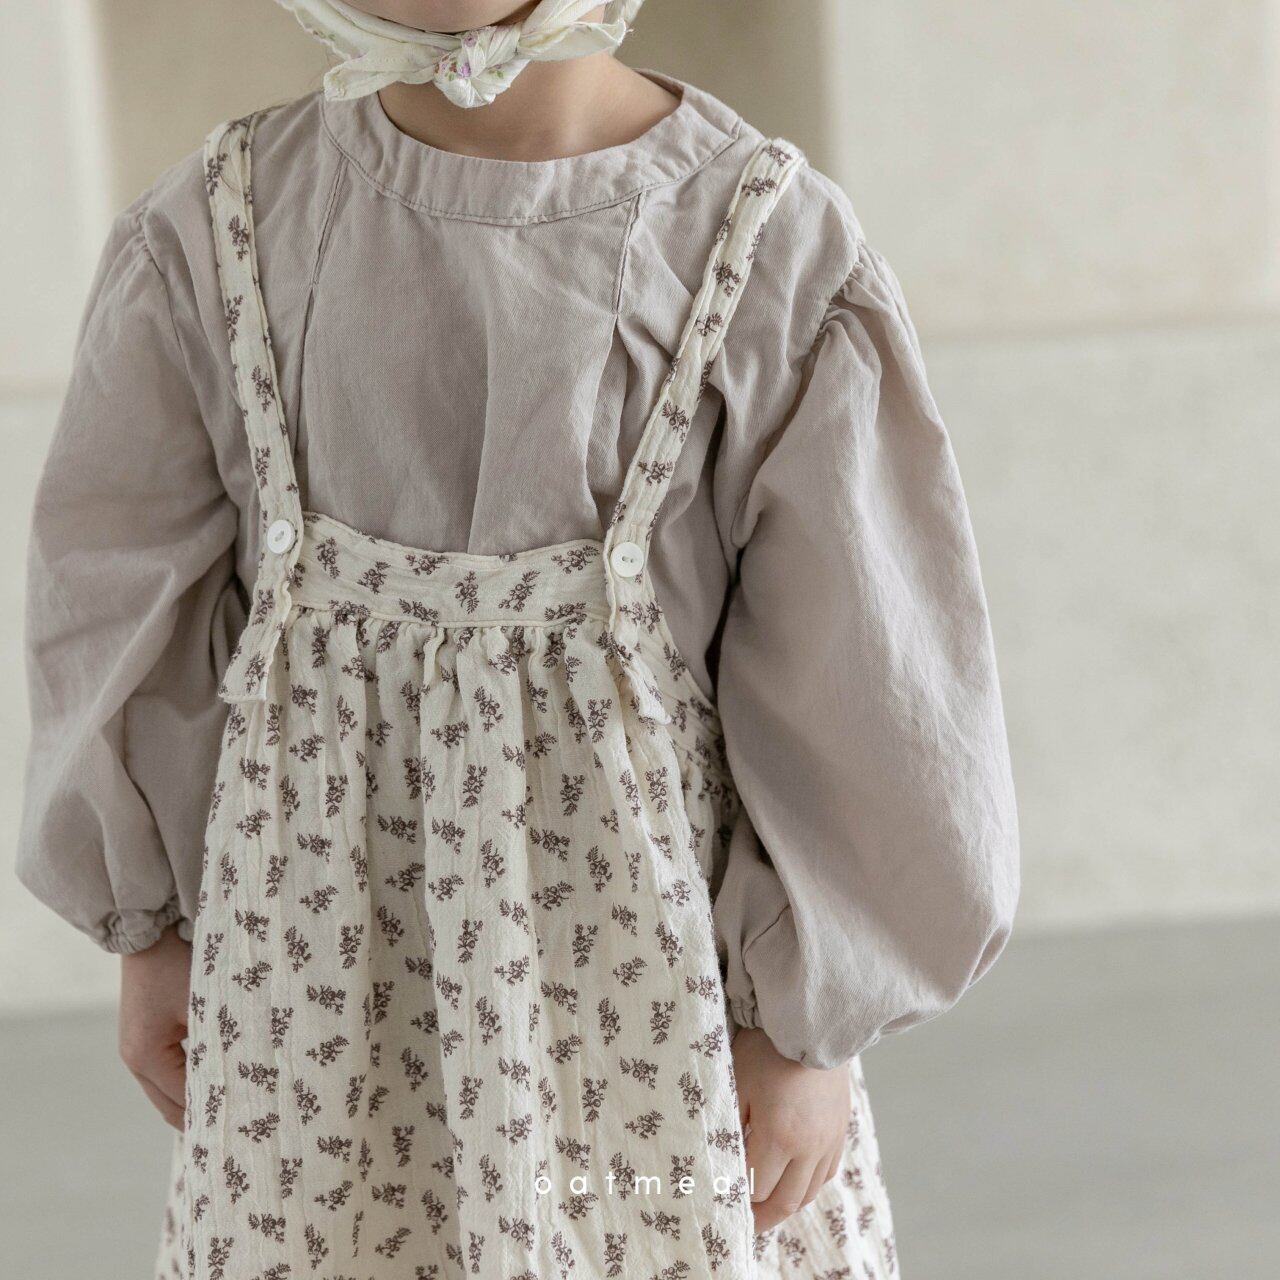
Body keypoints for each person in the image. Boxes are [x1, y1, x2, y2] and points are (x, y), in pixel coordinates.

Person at [16, 2, 1020, 1276]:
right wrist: (153, 924)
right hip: (320, 989)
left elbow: (860, 674)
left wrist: (806, 1023)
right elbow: (118, 599)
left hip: (648, 1009)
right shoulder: (217, 234)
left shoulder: (760, 246)